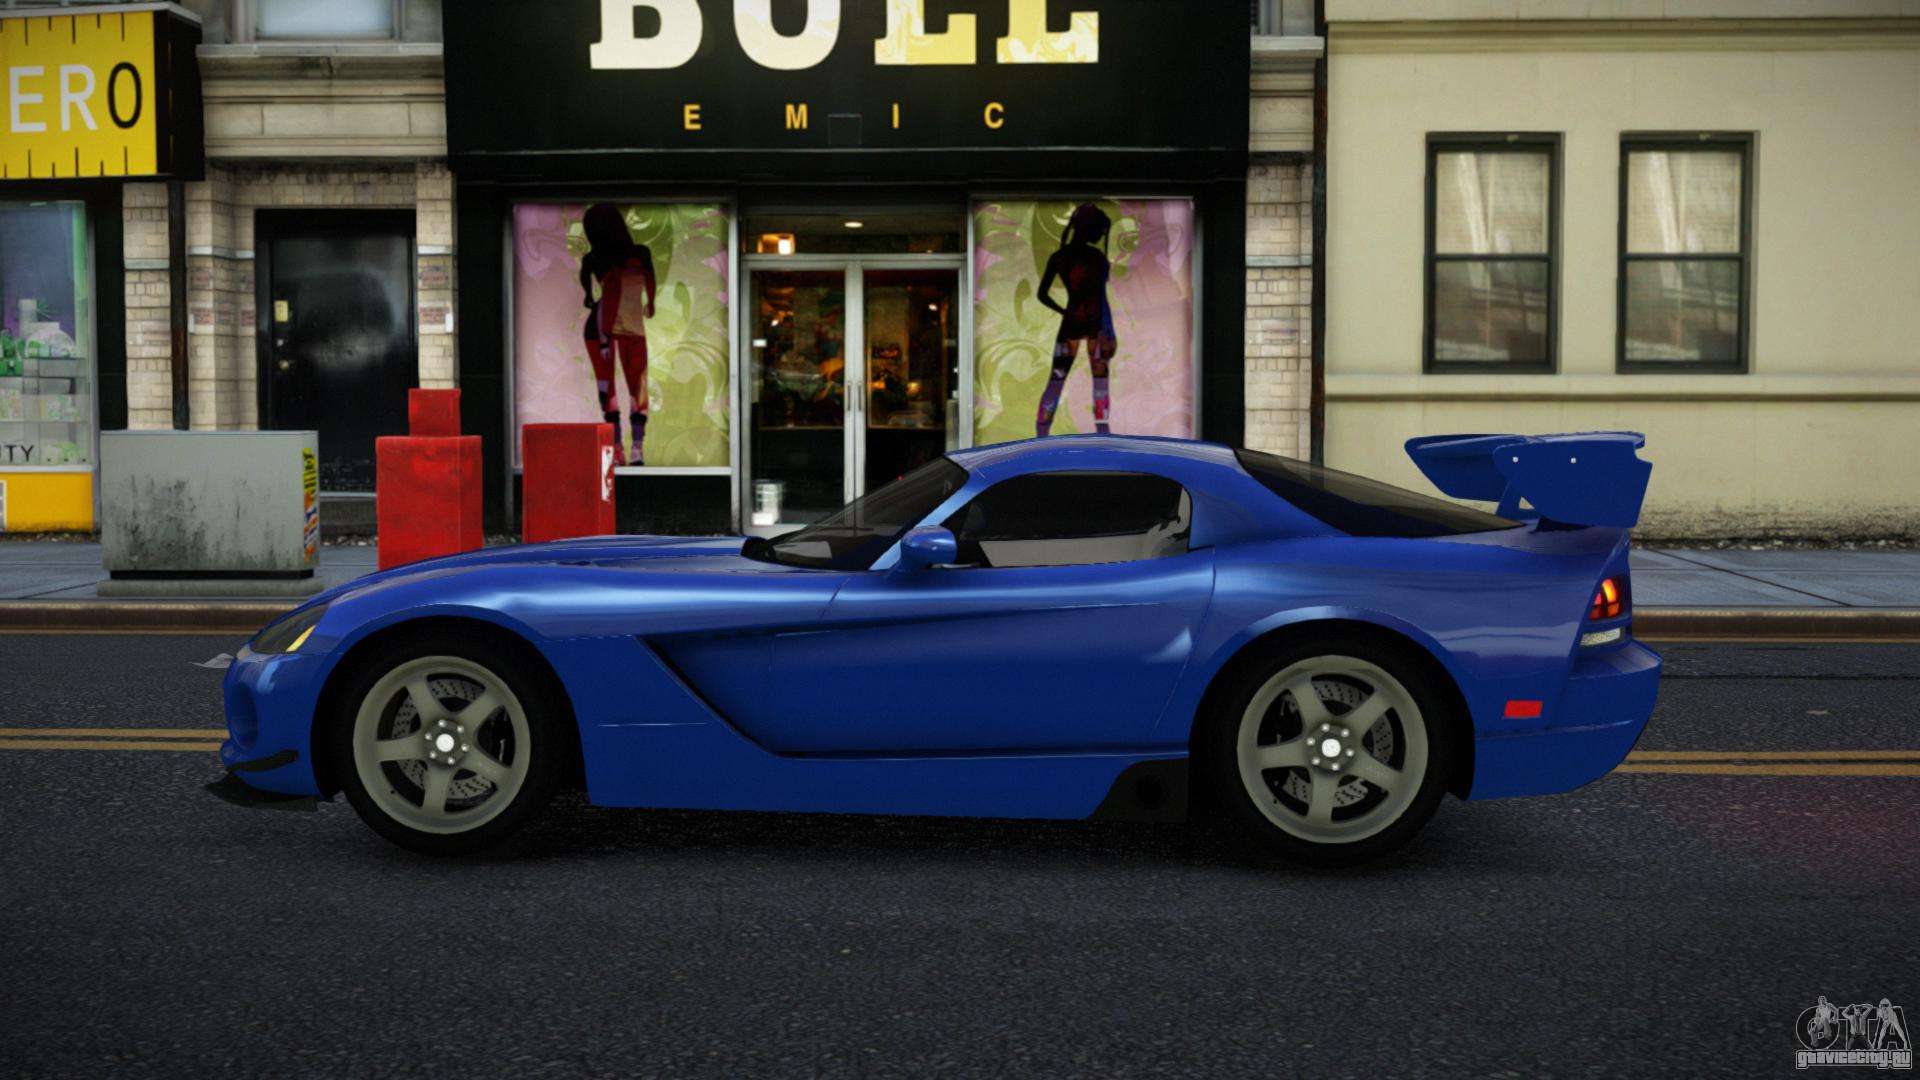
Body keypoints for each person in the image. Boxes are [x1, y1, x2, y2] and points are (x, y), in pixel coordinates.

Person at [579, 204, 656, 465]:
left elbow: (591, 290)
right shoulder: (635, 254)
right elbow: (599, 294)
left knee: (627, 386)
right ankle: (626, 448)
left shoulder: (598, 258)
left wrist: (589, 297)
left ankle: (628, 448)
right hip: (608, 327)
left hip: (620, 326)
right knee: (620, 387)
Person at [1034, 202, 1117, 437]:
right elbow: (1101, 298)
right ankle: (1103, 434)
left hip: (1072, 322)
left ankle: (1041, 434)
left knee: (1056, 380)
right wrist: (1109, 332)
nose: (1100, 236)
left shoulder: (1059, 257)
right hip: (1097, 325)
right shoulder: (1096, 257)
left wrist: (1063, 311)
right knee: (1100, 383)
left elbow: (1042, 294)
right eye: (1098, 231)